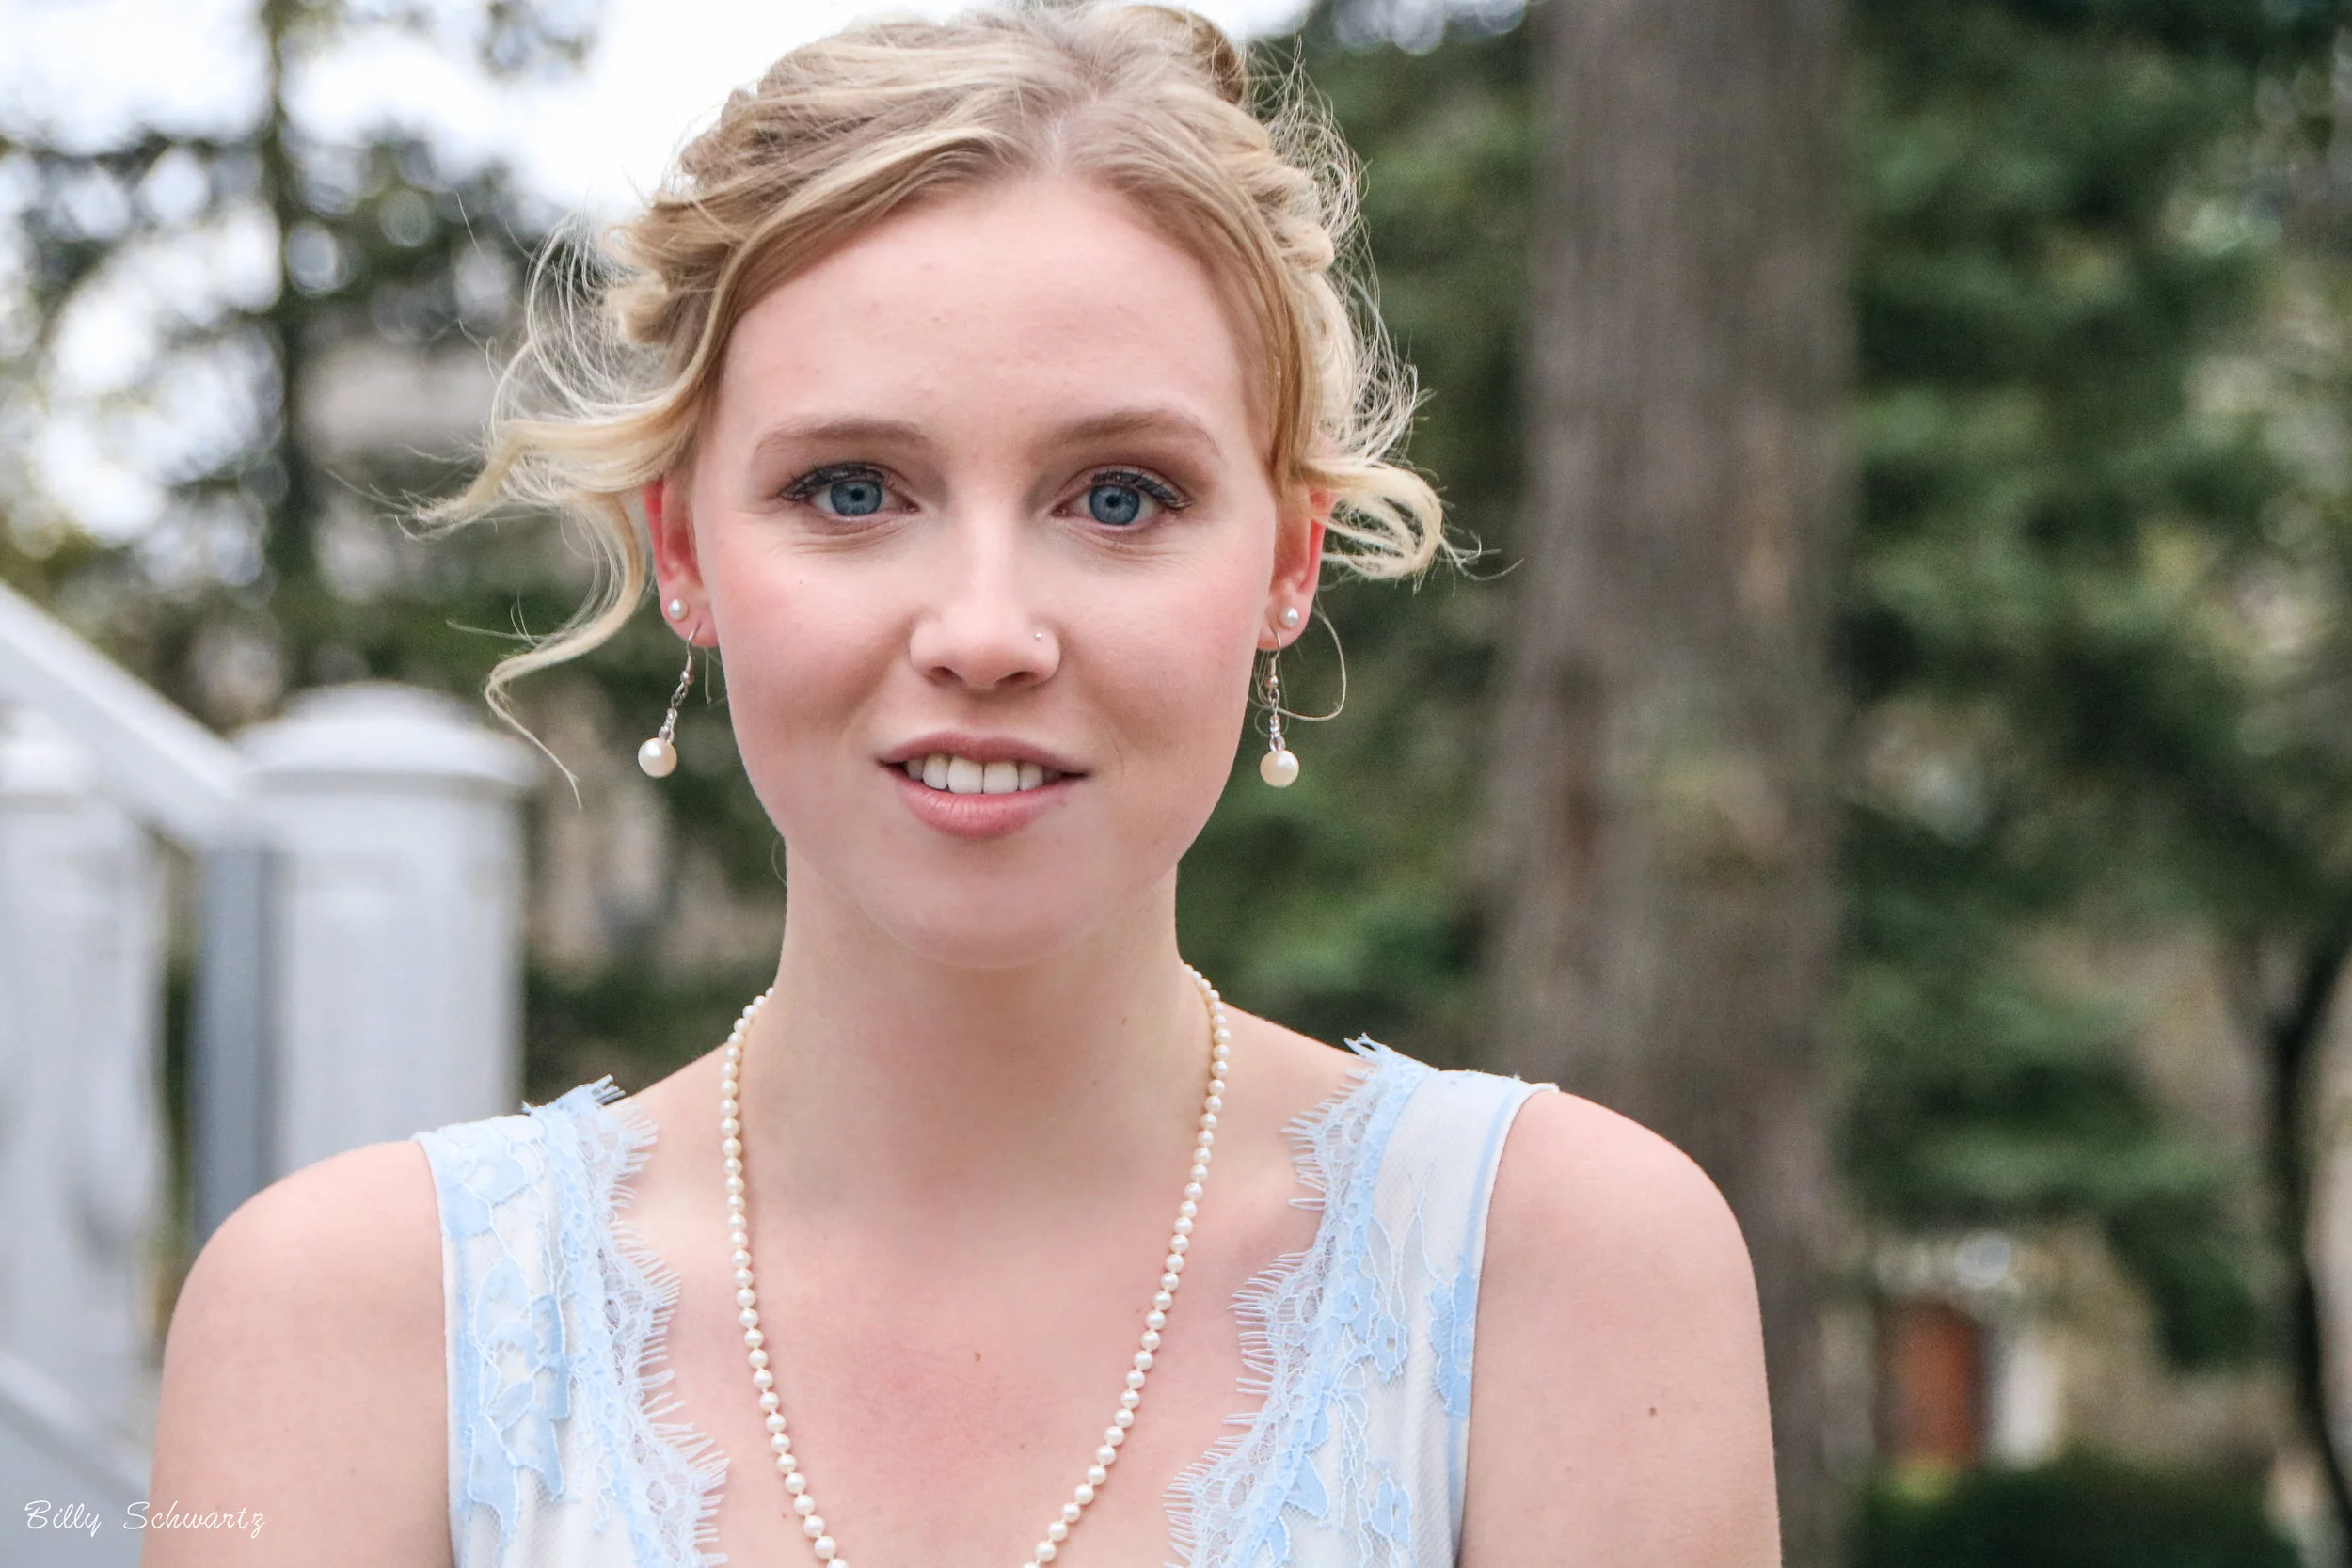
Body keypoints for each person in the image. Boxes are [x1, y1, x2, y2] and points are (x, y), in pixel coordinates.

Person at [143, 5, 1780, 1565]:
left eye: (1120, 497)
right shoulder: (353, 1323)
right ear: (688, 554)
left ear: (1286, 566)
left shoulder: (1560, 1277)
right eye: (854, 488)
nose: (986, 630)